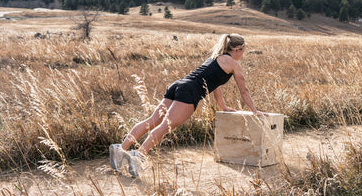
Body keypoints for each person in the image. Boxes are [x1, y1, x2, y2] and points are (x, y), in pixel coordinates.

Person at [109, 33, 267, 177]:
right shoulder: (233, 63)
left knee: (152, 121)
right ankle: (139, 155)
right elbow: (244, 90)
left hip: (178, 85)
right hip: (190, 91)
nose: (243, 54)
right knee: (165, 126)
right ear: (239, 49)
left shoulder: (214, 58)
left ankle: (120, 149)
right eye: (244, 50)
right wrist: (255, 111)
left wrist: (223, 107)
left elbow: (214, 84)